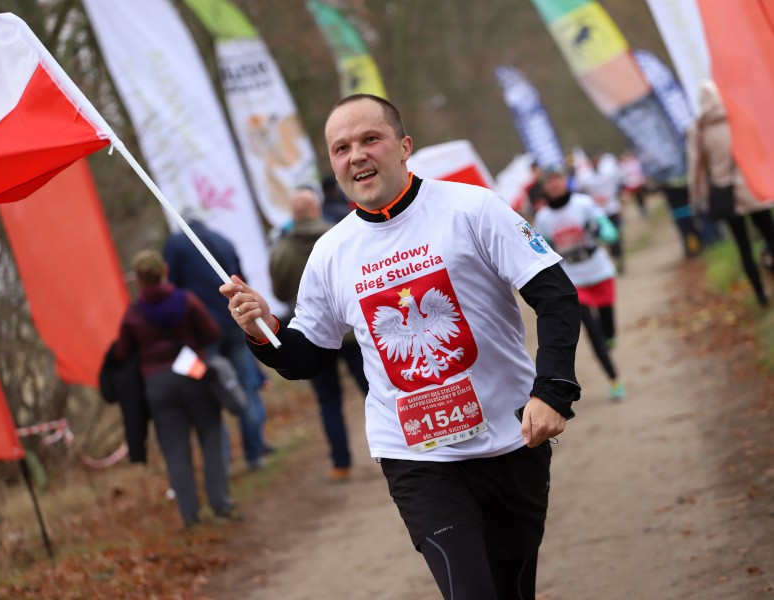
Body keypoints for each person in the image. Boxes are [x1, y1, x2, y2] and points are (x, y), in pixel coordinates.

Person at [220, 94, 582, 599]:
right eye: (341, 148)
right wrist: (260, 328)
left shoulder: (471, 208)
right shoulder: (331, 253)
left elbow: (557, 296)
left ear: (405, 145)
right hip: (417, 455)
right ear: (333, 164)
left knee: (513, 588)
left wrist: (552, 390)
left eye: (371, 139)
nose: (357, 155)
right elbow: (305, 356)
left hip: (512, 438)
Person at [115, 250, 237, 527]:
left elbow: (123, 353)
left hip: (158, 385)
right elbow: (212, 333)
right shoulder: (187, 301)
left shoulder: (132, 315)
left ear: (138, 280)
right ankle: (220, 504)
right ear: (165, 270)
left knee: (175, 450)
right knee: (211, 440)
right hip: (194, 375)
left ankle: (189, 515)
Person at [269, 188, 369, 480]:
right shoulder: (341, 237)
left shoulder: (282, 252)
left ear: (293, 215)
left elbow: (278, 292)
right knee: (374, 391)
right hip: (351, 332)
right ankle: (400, 446)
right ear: (316, 209)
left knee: (328, 400)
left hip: (312, 336)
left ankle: (340, 463)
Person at [163, 212, 271, 469]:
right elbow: (241, 280)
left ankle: (223, 460)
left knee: (212, 394)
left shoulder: (175, 245)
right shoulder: (223, 240)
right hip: (235, 322)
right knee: (244, 387)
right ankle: (255, 454)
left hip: (202, 331)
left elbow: (173, 290)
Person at [535, 168, 626, 401]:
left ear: (565, 181)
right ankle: (615, 380)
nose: (554, 185)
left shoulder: (583, 203)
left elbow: (611, 234)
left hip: (599, 272)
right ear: (545, 187)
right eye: (549, 182)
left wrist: (599, 230)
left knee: (608, 331)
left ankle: (610, 338)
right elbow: (541, 250)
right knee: (593, 334)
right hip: (573, 280)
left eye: (557, 179)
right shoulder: (543, 218)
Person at [688, 80, 774, 308]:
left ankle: (761, 295)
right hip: (752, 187)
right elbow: (760, 148)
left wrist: (696, 199)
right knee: (770, 236)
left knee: (744, 247)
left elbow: (696, 168)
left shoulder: (699, 128)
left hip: (725, 195)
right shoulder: (739, 116)